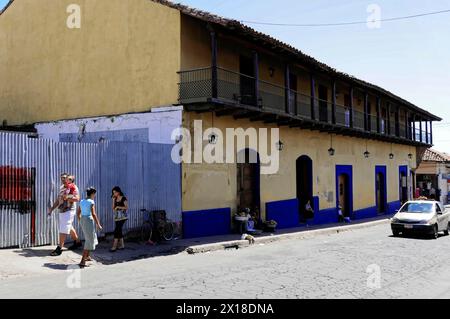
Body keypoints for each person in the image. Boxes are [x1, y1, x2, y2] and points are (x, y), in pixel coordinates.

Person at [48, 174, 82, 256]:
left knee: (63, 228)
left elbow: (77, 198)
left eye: (65, 178)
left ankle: (59, 248)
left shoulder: (74, 187)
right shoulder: (62, 187)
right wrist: (52, 208)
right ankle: (78, 242)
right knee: (69, 227)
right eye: (62, 178)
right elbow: (58, 199)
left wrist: (67, 198)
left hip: (69, 210)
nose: (63, 179)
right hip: (62, 210)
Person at [77, 187, 102, 268]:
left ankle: (87, 256)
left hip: (83, 220)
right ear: (92, 194)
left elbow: (78, 213)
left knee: (89, 238)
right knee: (89, 240)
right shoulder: (91, 201)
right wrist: (98, 224)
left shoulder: (82, 201)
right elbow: (94, 214)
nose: (94, 195)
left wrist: (80, 220)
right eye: (94, 194)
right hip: (88, 220)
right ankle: (82, 260)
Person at [111, 186, 128, 252]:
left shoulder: (123, 198)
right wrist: (113, 200)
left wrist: (118, 206)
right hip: (117, 217)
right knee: (119, 230)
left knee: (116, 230)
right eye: (113, 193)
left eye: (115, 192)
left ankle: (114, 246)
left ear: (118, 192)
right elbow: (113, 208)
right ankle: (122, 245)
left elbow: (126, 207)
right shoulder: (115, 199)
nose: (114, 194)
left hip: (123, 217)